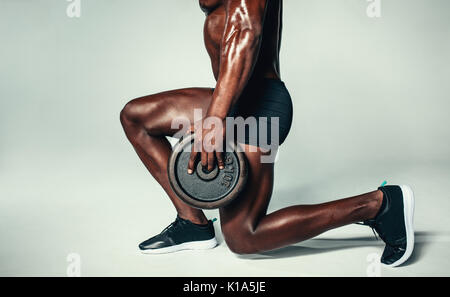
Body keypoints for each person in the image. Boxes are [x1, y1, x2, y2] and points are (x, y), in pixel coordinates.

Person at [120, 0, 414, 267]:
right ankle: (192, 223)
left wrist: (214, 120)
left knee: (245, 236)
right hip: (233, 99)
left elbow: (246, 32)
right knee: (137, 117)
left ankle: (379, 204)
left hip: (259, 107)